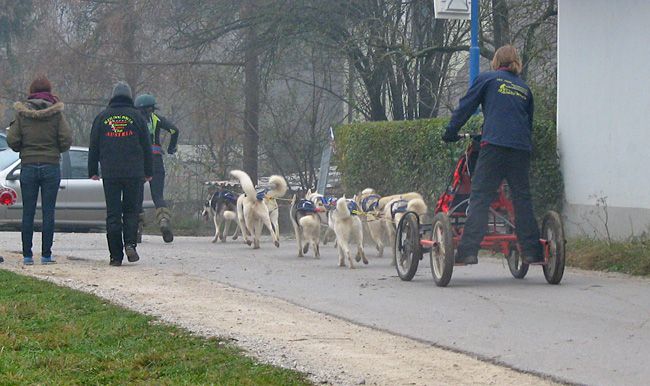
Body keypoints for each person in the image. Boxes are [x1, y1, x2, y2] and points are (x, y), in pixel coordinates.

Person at [442, 45, 543, 265]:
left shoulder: (488, 79)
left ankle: (468, 251)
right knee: (522, 198)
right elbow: (528, 123)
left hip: (494, 146)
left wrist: (450, 132)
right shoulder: (524, 88)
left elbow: (466, 107)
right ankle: (532, 252)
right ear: (516, 63)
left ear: (496, 62)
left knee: (480, 196)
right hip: (520, 148)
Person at [7, 75, 72, 265]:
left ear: (31, 92)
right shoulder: (57, 114)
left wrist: (24, 148)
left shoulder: (22, 113)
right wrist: (54, 150)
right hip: (51, 165)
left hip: (28, 165)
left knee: (28, 211)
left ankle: (27, 256)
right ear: (49, 91)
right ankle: (46, 255)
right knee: (48, 212)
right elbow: (66, 140)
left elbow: (12, 140)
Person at [88, 81, 152, 266]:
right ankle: (130, 244)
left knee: (113, 213)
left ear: (113, 96)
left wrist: (93, 170)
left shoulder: (102, 117)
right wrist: (148, 171)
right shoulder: (138, 117)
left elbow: (94, 146)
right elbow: (147, 147)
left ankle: (115, 256)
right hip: (134, 173)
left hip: (111, 173)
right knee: (132, 211)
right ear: (129, 97)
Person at [134, 93, 179, 243]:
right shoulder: (157, 119)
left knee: (137, 196)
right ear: (152, 108)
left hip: (139, 160)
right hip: (156, 159)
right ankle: (164, 221)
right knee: (158, 196)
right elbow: (174, 130)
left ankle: (137, 230)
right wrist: (172, 147)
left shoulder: (134, 120)